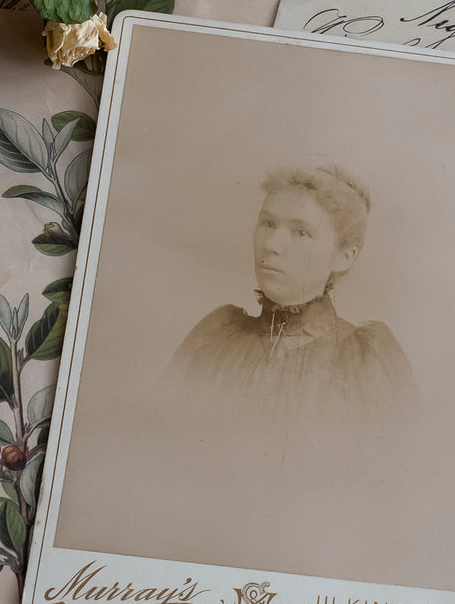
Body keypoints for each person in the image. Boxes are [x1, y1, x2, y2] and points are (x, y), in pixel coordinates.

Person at [166, 165, 417, 438]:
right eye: (268, 223)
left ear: (344, 256)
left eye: (301, 232)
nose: (272, 244)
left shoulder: (365, 362)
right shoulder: (215, 339)